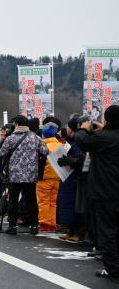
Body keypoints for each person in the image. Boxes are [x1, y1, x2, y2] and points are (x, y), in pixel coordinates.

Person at [75, 105, 119, 279]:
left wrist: (84, 129)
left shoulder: (104, 138)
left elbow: (82, 140)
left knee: (107, 231)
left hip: (105, 192)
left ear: (107, 120)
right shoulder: (107, 137)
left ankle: (113, 269)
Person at [0, 115, 49, 235]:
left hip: (15, 175)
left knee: (13, 201)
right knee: (31, 200)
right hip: (31, 175)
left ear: (16, 124)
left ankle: (12, 226)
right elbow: (46, 151)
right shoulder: (35, 138)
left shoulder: (11, 138)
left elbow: (1, 153)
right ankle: (34, 226)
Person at [56, 118, 85, 242]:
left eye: (68, 127)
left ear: (72, 129)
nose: (66, 129)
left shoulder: (77, 143)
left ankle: (78, 232)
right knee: (67, 204)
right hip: (67, 177)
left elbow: (80, 159)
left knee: (74, 205)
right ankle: (71, 231)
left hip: (74, 178)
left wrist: (67, 160)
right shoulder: (70, 142)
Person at [36, 122, 63, 232]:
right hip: (58, 178)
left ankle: (45, 223)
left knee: (43, 201)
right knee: (53, 202)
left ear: (44, 135)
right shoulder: (61, 145)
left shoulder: (43, 146)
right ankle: (53, 223)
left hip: (44, 178)